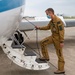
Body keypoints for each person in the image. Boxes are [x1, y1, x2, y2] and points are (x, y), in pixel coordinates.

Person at [35, 8, 65, 74]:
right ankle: (46, 56)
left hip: (58, 39)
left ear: (51, 13)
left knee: (59, 54)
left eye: (47, 14)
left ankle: (61, 69)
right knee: (42, 42)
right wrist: (39, 28)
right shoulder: (51, 21)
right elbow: (47, 27)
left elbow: (61, 32)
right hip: (53, 36)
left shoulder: (58, 21)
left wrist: (61, 41)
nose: (47, 15)